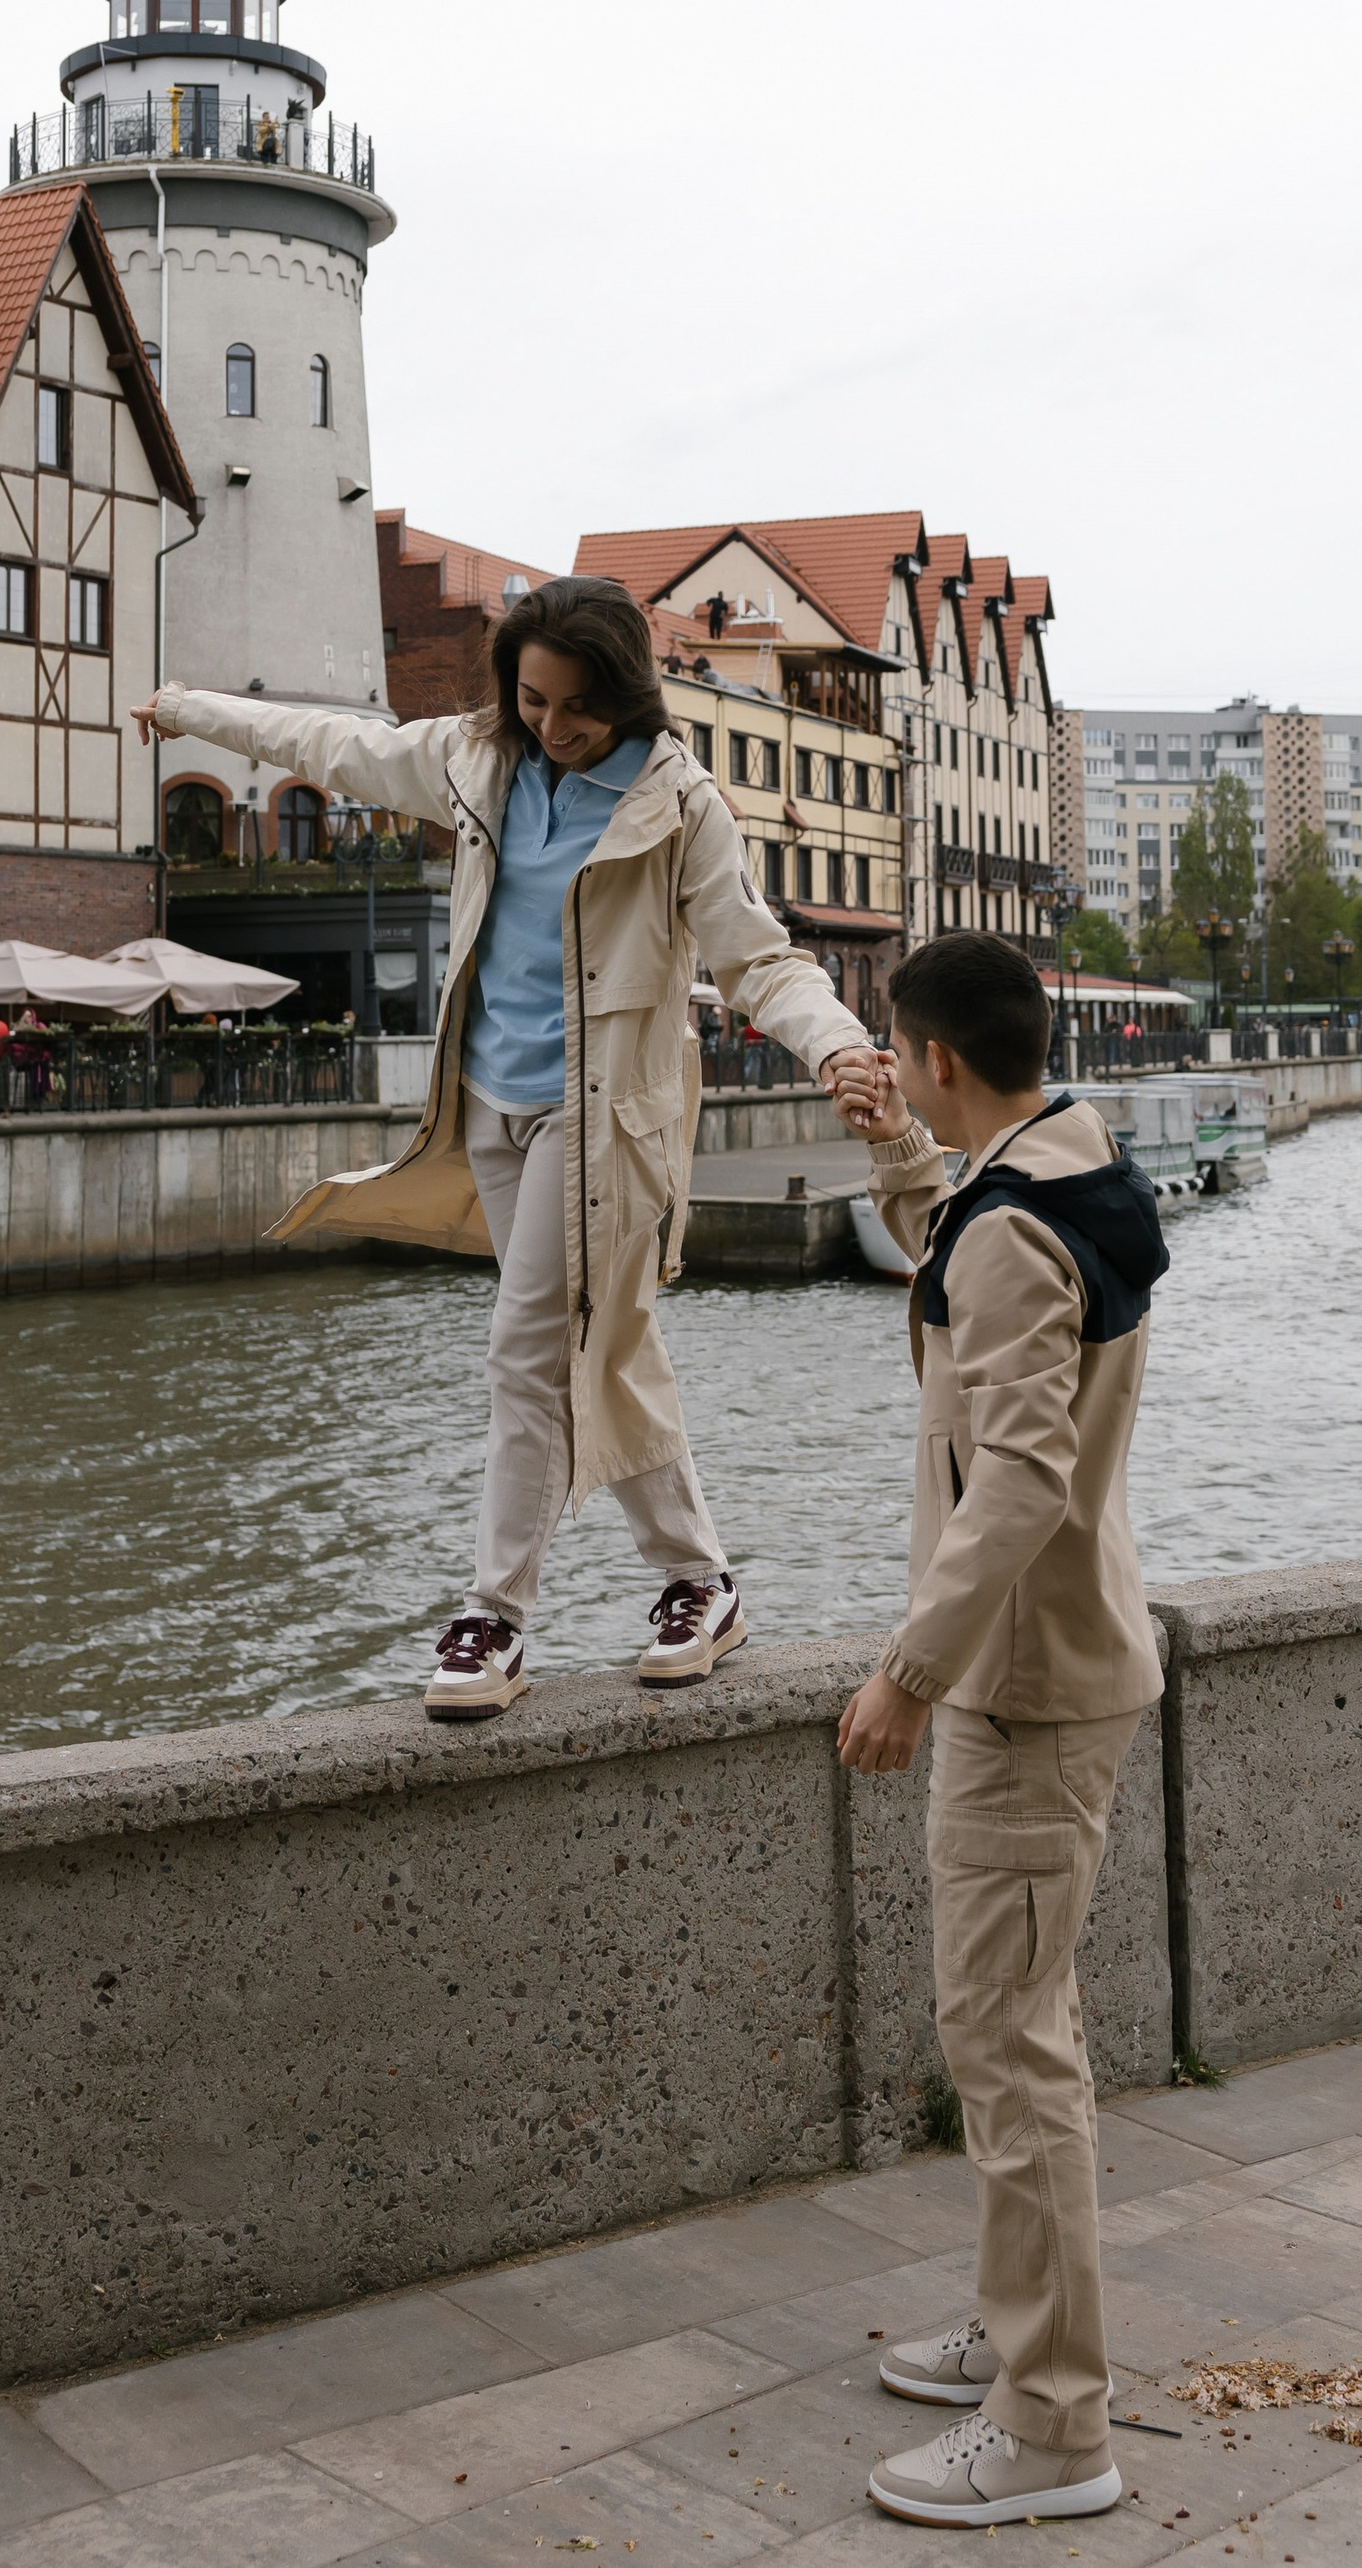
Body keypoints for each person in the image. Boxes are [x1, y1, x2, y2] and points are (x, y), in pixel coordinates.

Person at [132, 575, 872, 1718]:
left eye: (578, 706)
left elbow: (757, 958)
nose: (554, 726)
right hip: (490, 1102)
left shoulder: (679, 805)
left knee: (528, 1345)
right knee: (601, 1344)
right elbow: (332, 741)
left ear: (625, 695)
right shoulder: (479, 759)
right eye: (533, 698)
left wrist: (835, 1048)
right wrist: (189, 707)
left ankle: (493, 1618)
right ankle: (701, 1580)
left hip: (605, 1115)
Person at [830, 930, 1167, 2536]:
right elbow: (964, 1238)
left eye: (897, 1055)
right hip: (1053, 1666)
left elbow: (1020, 1474)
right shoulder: (1058, 1167)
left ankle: (1050, 2425)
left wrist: (909, 1665)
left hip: (1023, 1688)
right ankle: (1019, 2330)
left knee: (1012, 2048)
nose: (890, 1069)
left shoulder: (1018, 1227)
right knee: (1022, 2027)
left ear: (942, 1056)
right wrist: (896, 1143)